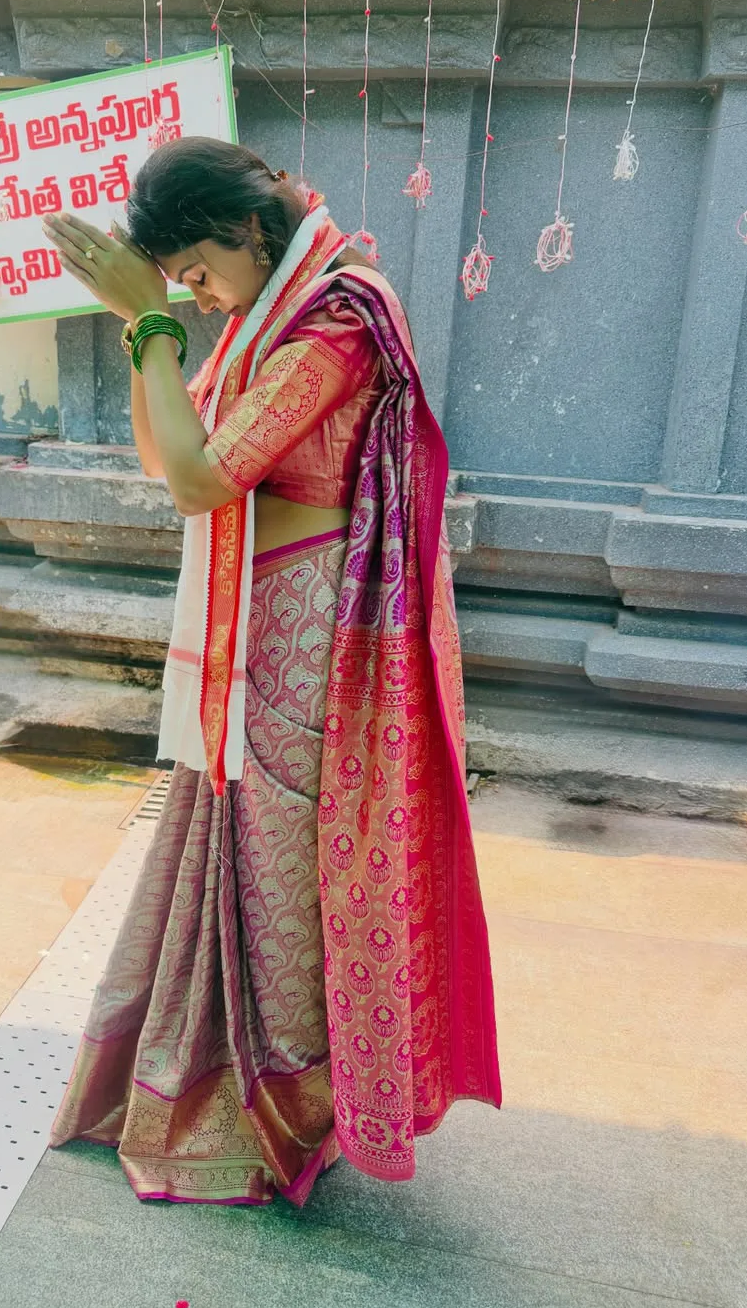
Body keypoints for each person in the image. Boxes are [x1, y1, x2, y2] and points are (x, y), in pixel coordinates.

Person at [40, 138, 501, 1207]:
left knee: (285, 867)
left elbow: (203, 480)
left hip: (306, 624)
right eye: (183, 287)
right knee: (236, 850)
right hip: (255, 616)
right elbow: (171, 457)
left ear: (247, 229)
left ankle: (286, 1108)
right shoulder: (268, 312)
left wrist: (147, 319)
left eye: (197, 273)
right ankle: (212, 1085)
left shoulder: (339, 316)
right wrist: (141, 321)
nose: (196, 299)